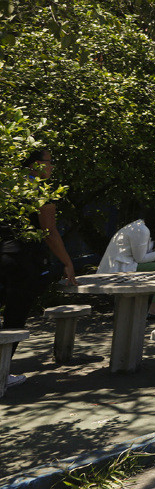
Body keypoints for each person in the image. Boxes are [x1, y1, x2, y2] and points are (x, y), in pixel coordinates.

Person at [0, 149, 77, 390]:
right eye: (49, 162)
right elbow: (49, 232)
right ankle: (1, 373)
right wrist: (67, 262)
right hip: (21, 260)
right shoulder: (41, 192)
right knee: (14, 316)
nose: (52, 167)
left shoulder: (7, 187)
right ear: (34, 165)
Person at [97, 206, 155, 318]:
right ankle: (154, 309)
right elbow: (141, 259)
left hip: (130, 265)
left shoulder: (144, 228)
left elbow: (146, 253)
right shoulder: (141, 230)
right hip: (121, 269)